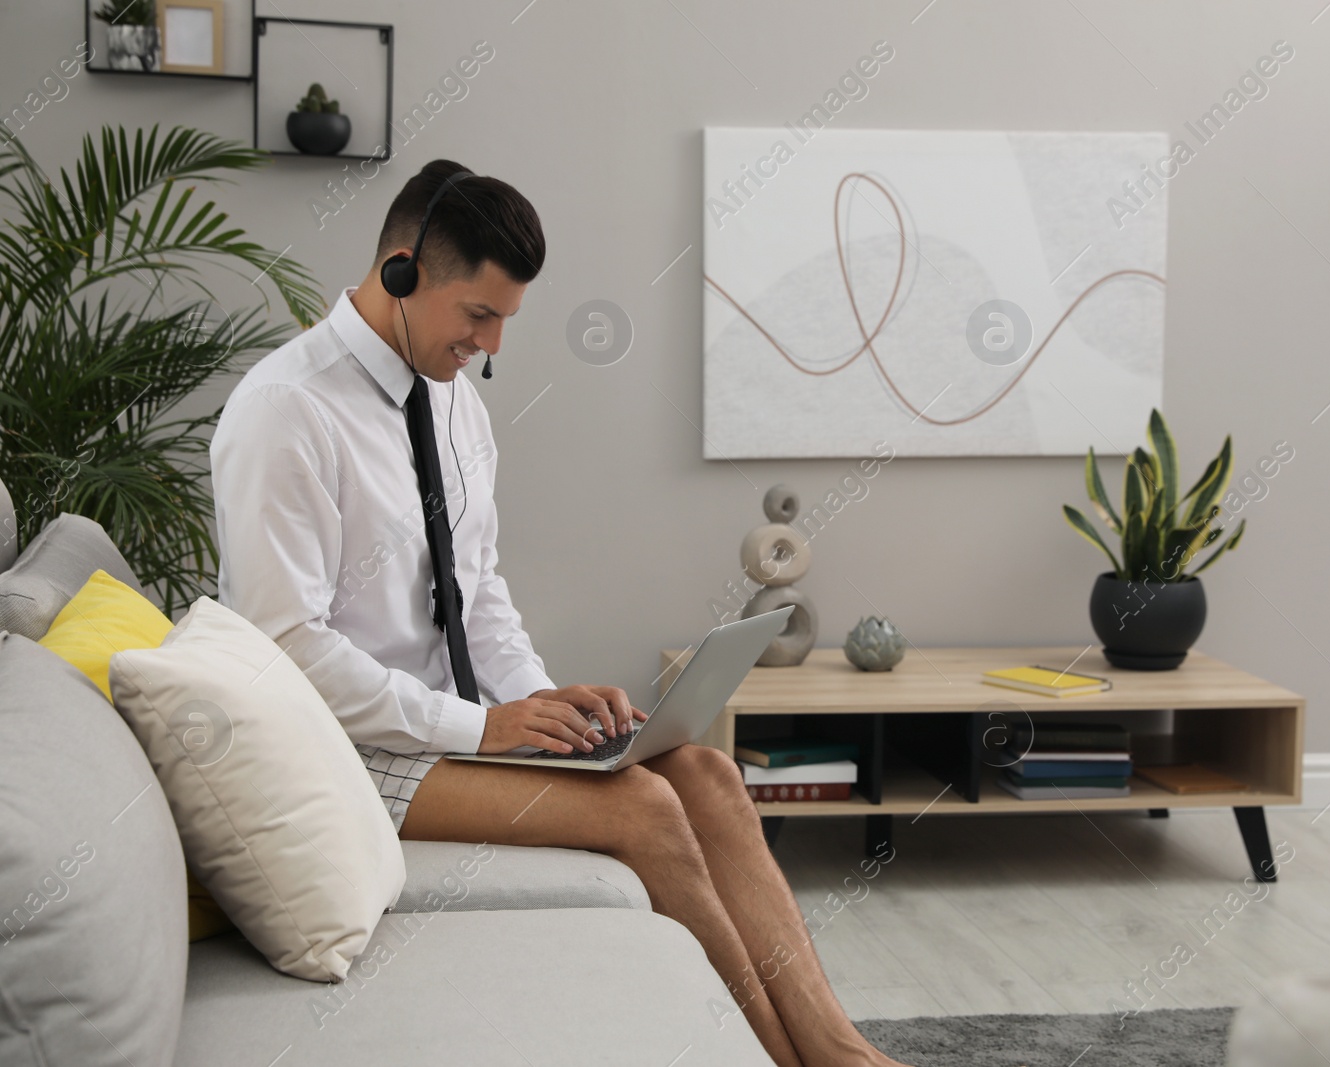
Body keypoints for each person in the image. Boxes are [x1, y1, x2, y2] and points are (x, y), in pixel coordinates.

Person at [210, 159, 910, 1067]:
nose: (491, 344)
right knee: (647, 810)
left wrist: (547, 707)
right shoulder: (284, 411)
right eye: (478, 315)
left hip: (451, 732)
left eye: (505, 320)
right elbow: (287, 649)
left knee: (706, 773)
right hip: (349, 750)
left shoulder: (456, 401)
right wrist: (483, 724)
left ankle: (844, 1050)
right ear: (399, 271)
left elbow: (480, 588)